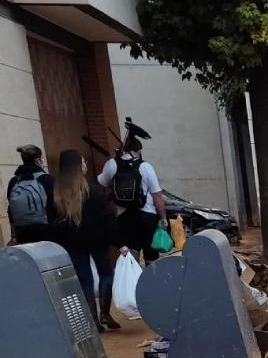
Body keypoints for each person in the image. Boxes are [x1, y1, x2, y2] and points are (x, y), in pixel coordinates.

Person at [52, 149, 121, 331]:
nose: (86, 165)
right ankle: (105, 313)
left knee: (85, 280)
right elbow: (108, 219)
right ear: (77, 166)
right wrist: (118, 242)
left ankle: (92, 321)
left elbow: (51, 221)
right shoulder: (94, 191)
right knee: (106, 273)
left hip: (72, 244)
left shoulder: (57, 193)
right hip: (98, 241)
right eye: (83, 162)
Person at [97, 137, 167, 264]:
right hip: (147, 216)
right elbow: (157, 196)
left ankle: (133, 281)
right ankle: (153, 280)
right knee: (151, 256)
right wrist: (163, 218)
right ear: (137, 150)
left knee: (130, 257)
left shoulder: (112, 164)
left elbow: (101, 183)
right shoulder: (145, 166)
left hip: (123, 217)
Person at [6, 144, 55, 244]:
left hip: (22, 233)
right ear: (38, 160)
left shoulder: (14, 181)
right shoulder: (46, 179)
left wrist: (14, 237)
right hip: (46, 232)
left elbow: (10, 210)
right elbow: (56, 206)